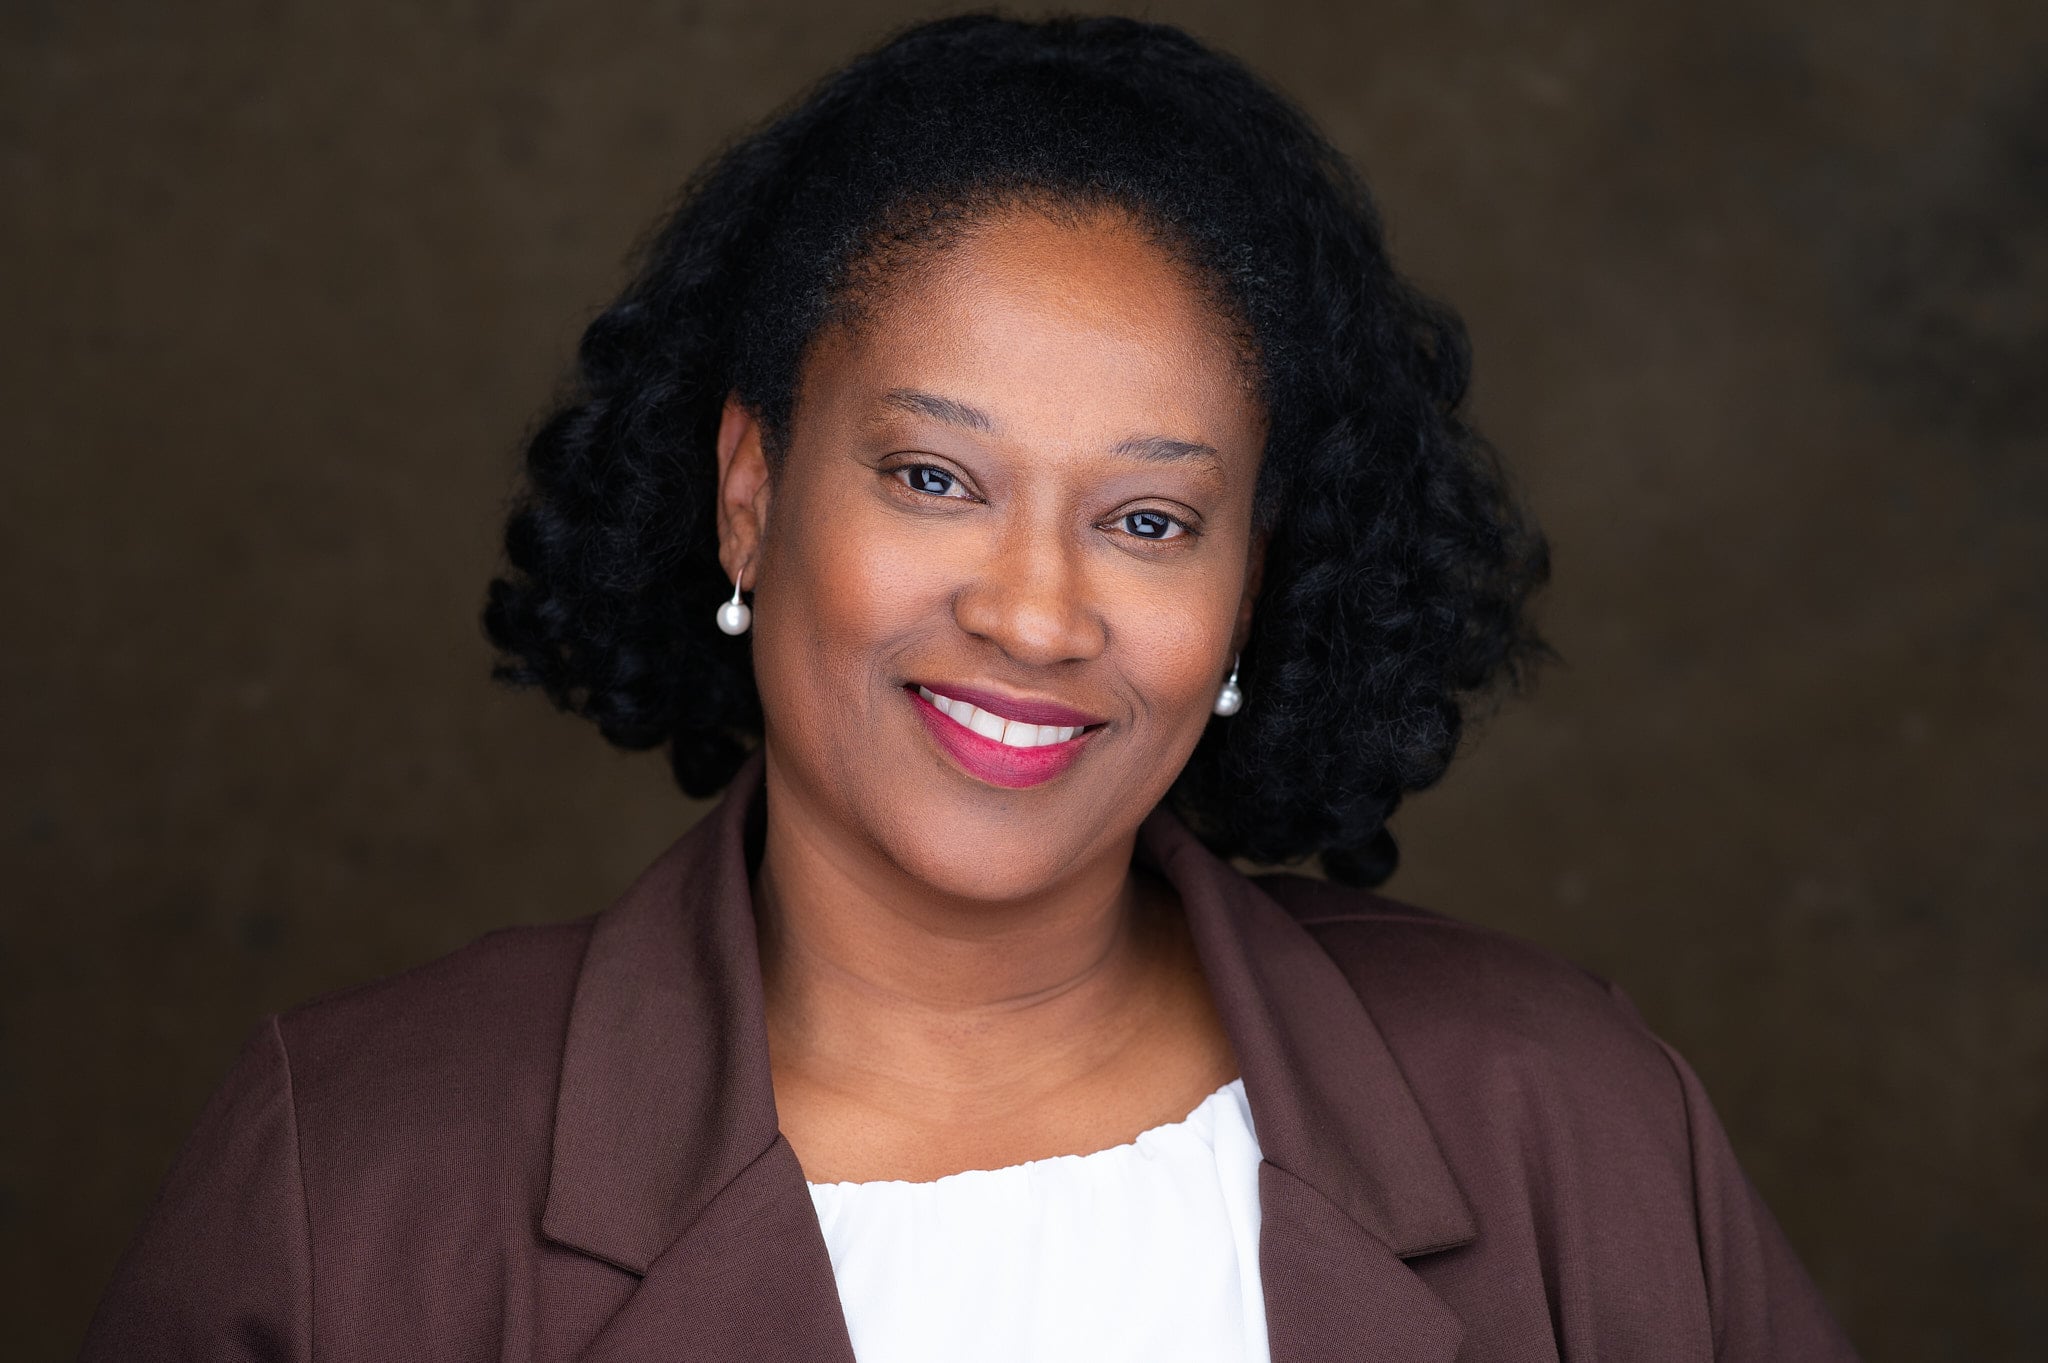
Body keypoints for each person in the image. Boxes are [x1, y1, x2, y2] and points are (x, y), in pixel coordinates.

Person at [83, 14, 1860, 1362]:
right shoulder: (353, 1181)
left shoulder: (1569, 1117)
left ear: (1248, 589)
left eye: (1149, 519)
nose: (1035, 613)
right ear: (750, 494)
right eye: (935, 477)